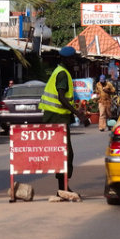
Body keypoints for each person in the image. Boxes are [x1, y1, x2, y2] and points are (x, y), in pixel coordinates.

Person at [38, 46, 86, 194]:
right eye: (71, 59)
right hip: (57, 117)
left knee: (62, 152)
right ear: (65, 59)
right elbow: (61, 97)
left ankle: (63, 186)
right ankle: (63, 187)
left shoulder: (60, 71)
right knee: (66, 152)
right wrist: (78, 114)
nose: (74, 61)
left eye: (74, 58)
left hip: (57, 116)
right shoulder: (63, 74)